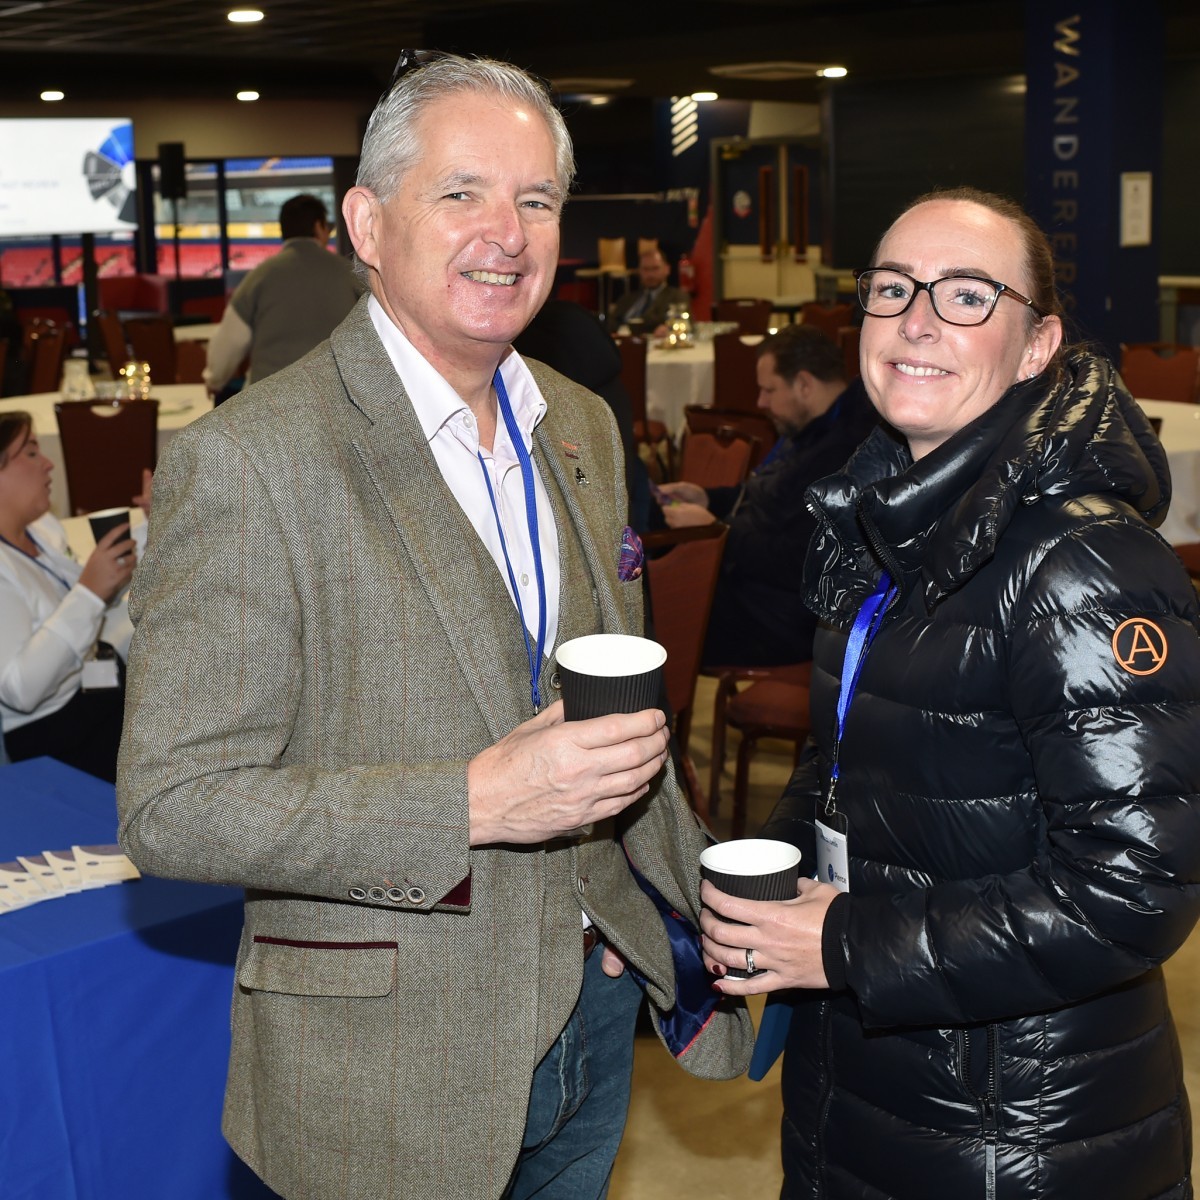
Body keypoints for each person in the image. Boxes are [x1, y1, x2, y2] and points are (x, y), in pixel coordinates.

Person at [117, 52, 752, 1200]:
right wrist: (473, 802)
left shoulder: (581, 426)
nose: (506, 233)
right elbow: (173, 807)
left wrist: (707, 898)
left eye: (536, 200)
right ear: (367, 224)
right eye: (462, 193)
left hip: (595, 1013)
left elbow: (612, 731)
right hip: (389, 1068)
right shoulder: (251, 461)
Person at [700, 187, 1200, 1199]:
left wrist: (841, 941)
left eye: (968, 294)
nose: (917, 320)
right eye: (893, 289)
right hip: (868, 1074)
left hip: (1016, 1127)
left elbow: (1135, 889)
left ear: (1037, 346)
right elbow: (849, 761)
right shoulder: (888, 519)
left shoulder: (1082, 564)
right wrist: (770, 882)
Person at [656, 325, 876, 666]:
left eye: (769, 390)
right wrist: (709, 499)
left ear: (804, 384)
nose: (761, 402)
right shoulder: (814, 426)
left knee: (662, 608)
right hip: (757, 590)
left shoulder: (843, 455)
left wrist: (719, 533)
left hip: (784, 619)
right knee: (656, 574)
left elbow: (797, 562)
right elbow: (770, 497)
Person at [0, 412, 139, 782]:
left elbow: (85, 594)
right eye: (31, 453)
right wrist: (89, 594)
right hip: (55, 733)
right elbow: (20, 690)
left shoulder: (36, 532)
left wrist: (153, 523)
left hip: (91, 692)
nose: (48, 464)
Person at [202, 192, 365, 393]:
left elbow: (229, 342)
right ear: (318, 227)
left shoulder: (259, 276)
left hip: (266, 398)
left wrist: (214, 380)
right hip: (334, 396)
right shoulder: (350, 274)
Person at [607, 247, 690, 335]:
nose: (650, 274)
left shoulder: (677, 297)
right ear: (639, 271)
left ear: (667, 269)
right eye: (646, 269)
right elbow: (611, 323)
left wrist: (668, 328)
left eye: (655, 268)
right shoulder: (627, 299)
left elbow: (684, 323)